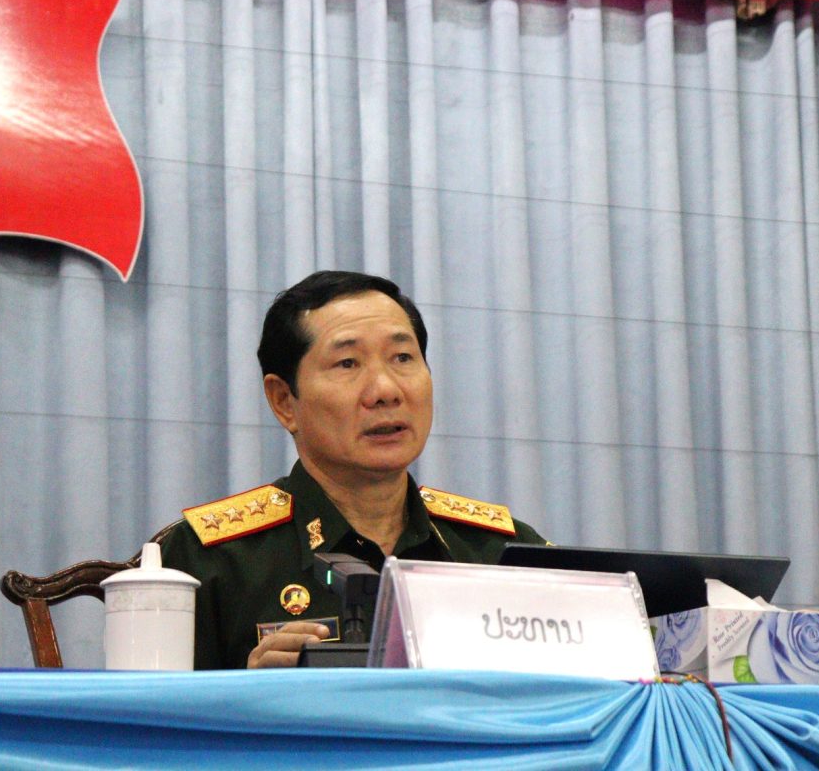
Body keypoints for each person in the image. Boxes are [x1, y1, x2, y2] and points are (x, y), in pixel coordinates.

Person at [160, 271, 547, 669]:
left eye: (403, 358)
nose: (385, 391)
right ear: (284, 401)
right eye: (347, 363)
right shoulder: (206, 562)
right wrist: (249, 692)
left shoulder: (502, 555)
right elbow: (148, 707)